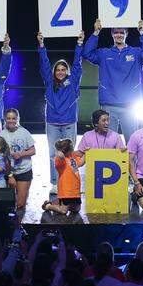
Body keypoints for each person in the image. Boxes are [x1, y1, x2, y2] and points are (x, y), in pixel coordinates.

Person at [81, 19, 143, 139]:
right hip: (109, 104)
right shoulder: (104, 53)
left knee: (132, 142)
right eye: (116, 32)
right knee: (108, 142)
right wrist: (96, 33)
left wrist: (142, 32)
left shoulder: (136, 53)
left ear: (126, 34)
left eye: (122, 32)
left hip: (130, 105)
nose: (119, 35)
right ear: (112, 34)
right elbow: (86, 53)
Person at [37, 31, 83, 187]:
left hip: (69, 122)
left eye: (63, 69)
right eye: (58, 70)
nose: (61, 72)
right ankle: (55, 184)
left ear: (67, 71)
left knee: (70, 153)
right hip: (52, 124)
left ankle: (70, 181)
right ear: (54, 72)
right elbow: (44, 64)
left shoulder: (73, 81)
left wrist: (79, 44)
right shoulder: (49, 82)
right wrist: (41, 45)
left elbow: (77, 64)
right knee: (53, 153)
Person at [0, 108, 36, 209]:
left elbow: (33, 151)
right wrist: (10, 176)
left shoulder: (24, 133)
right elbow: (2, 159)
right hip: (8, 172)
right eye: (8, 118)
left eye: (13, 118)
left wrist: (21, 154)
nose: (11, 120)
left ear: (17, 119)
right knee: (8, 204)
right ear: (5, 119)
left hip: (24, 171)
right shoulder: (1, 135)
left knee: (20, 205)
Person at [43, 138, 83, 216]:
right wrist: (59, 151)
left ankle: (58, 203)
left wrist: (87, 153)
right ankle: (48, 206)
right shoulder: (60, 160)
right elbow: (60, 156)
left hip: (75, 189)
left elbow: (81, 162)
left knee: (76, 209)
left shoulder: (72, 157)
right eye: (71, 147)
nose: (73, 148)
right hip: (66, 190)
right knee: (63, 211)